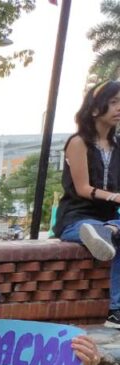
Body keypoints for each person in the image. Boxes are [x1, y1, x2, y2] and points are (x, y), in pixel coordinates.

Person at [53, 80, 120, 328]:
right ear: (94, 109)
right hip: (77, 216)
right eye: (113, 102)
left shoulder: (118, 146)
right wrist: (114, 197)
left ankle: (110, 230)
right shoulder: (78, 142)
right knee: (98, 229)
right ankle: (107, 231)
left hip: (109, 217)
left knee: (113, 232)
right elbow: (82, 189)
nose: (119, 108)